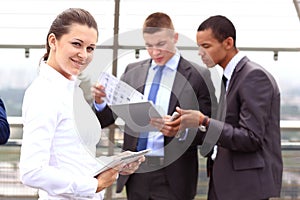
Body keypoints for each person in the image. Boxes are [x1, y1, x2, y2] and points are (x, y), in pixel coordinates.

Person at [152, 15, 283, 200]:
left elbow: (250, 138)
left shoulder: (253, 77)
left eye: (206, 46)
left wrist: (203, 120)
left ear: (228, 43)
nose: (200, 53)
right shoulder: (229, 77)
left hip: (245, 188)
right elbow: (224, 129)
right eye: (199, 46)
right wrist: (185, 126)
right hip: (226, 183)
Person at [19, 8, 143, 200]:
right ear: (53, 41)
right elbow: (31, 171)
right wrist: (94, 185)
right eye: (77, 44)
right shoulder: (43, 94)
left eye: (90, 48)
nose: (84, 55)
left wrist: (114, 164)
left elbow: (74, 157)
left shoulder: (72, 91)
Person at [92, 12, 217, 200]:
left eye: (161, 44)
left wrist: (180, 131)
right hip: (137, 173)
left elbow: (210, 130)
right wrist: (100, 103)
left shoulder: (198, 76)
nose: (155, 52)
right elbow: (107, 119)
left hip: (175, 176)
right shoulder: (132, 72)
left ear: (174, 38)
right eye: (149, 46)